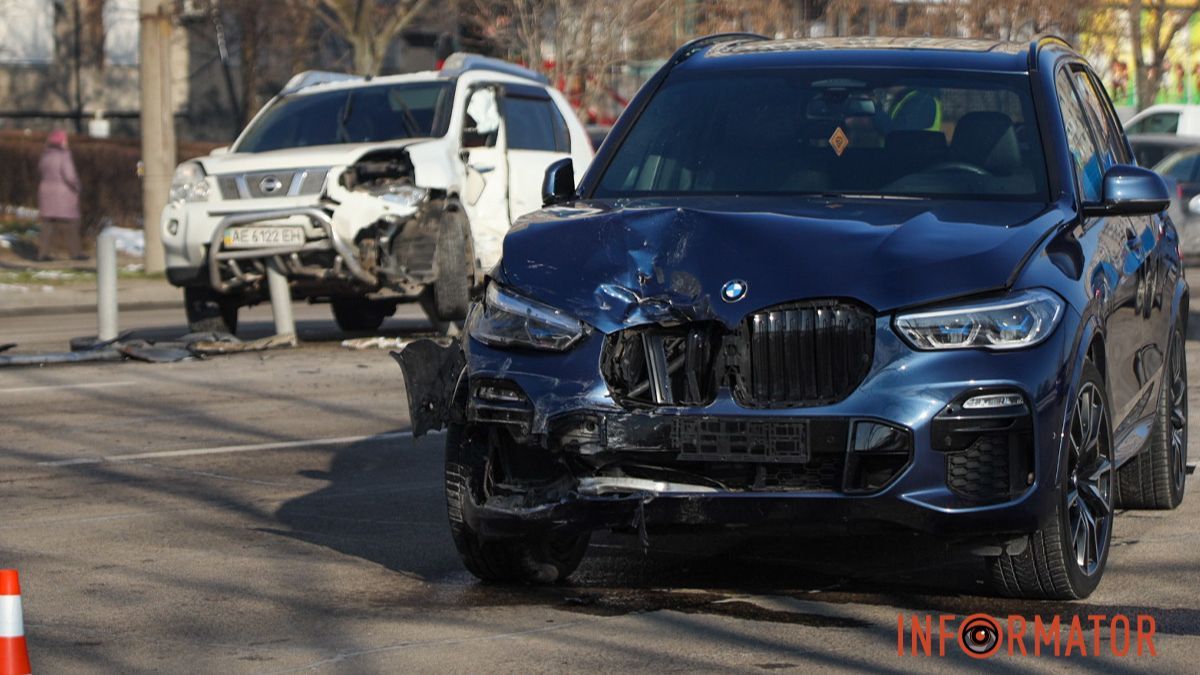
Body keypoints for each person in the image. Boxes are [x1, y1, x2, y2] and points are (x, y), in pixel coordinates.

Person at [36, 129, 84, 261]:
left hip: (46, 192)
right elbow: (70, 176)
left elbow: (40, 170)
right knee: (72, 223)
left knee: (47, 224)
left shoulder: (45, 155)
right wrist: (78, 186)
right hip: (63, 193)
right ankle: (75, 253)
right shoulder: (64, 155)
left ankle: (42, 253)